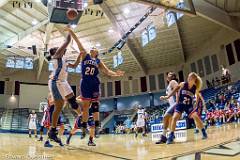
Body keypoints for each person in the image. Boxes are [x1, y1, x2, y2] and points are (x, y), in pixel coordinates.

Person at [66, 28, 124, 139]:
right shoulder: (85, 55)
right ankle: (83, 128)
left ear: (97, 52)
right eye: (92, 48)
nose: (93, 48)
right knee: (86, 106)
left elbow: (107, 71)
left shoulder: (98, 61)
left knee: (96, 105)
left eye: (95, 48)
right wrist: (71, 31)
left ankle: (97, 127)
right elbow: (78, 42)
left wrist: (116, 74)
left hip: (94, 82)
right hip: (85, 82)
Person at [47, 28, 81, 145]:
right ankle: (52, 131)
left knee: (72, 98)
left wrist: (80, 55)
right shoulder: (56, 56)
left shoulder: (64, 59)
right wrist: (70, 29)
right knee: (59, 105)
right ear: (55, 52)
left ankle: (81, 115)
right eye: (57, 49)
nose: (60, 49)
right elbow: (67, 42)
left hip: (63, 81)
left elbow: (75, 65)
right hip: (56, 81)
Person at [162, 72, 207, 144]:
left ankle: (204, 132)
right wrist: (167, 96)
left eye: (190, 77)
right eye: (188, 77)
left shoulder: (195, 88)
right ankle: (171, 135)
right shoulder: (183, 84)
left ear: (194, 79)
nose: (188, 78)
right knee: (174, 117)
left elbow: (198, 96)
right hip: (180, 104)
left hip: (188, 106)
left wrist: (196, 104)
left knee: (196, 116)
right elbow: (175, 90)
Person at [156, 72, 178, 144]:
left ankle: (163, 137)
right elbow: (171, 94)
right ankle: (171, 135)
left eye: (170, 74)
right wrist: (165, 97)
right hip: (172, 104)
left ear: (173, 76)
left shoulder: (173, 81)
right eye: (168, 74)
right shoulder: (169, 85)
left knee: (165, 117)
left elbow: (177, 89)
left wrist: (177, 102)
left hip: (175, 103)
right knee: (170, 121)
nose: (168, 75)